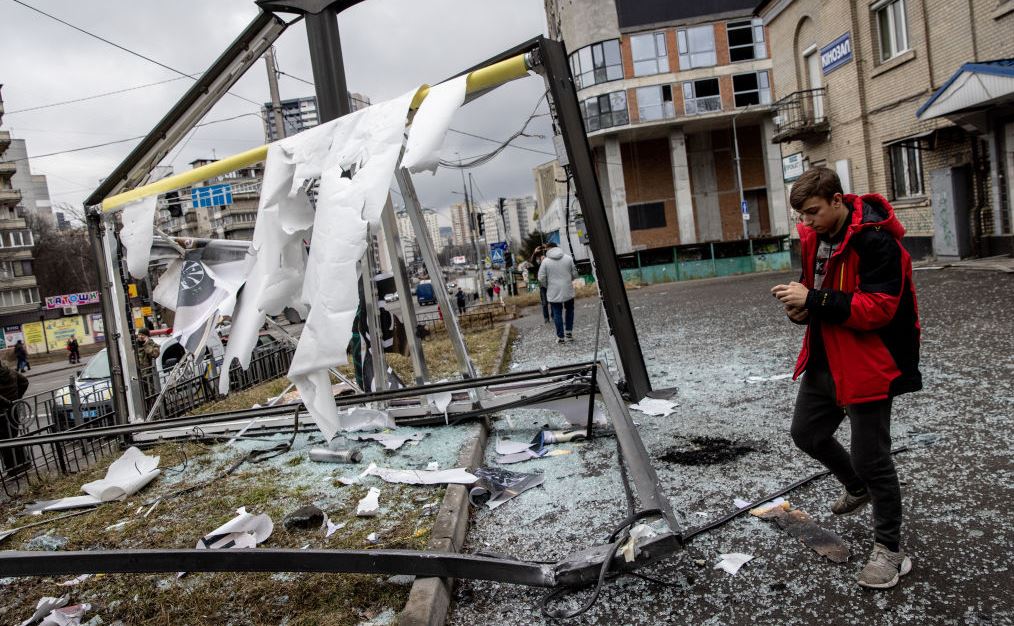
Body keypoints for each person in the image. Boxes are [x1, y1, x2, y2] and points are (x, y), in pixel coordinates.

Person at [771, 166, 921, 590]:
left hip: (869, 362)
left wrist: (814, 299)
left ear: (838, 200)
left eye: (814, 212)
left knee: (872, 457)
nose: (807, 222)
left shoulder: (875, 239)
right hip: (825, 357)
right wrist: (800, 307)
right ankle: (858, 489)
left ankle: (890, 551)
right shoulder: (814, 237)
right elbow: (815, 289)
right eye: (801, 215)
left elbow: (880, 308)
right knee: (807, 434)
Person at [538, 242, 579, 344]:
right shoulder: (568, 258)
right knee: (570, 310)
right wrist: (568, 280)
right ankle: (569, 333)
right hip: (567, 289)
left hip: (553, 290)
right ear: (557, 247)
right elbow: (575, 274)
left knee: (557, 313)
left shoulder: (545, 262)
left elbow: (541, 278)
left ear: (548, 249)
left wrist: (547, 285)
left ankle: (560, 337)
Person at [0, 356, 29, 474]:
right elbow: (25, 382)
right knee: (12, 436)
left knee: (4, 441)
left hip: (2, 412)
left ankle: (13, 468)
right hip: (13, 410)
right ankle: (21, 464)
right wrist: (16, 398)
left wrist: (7, 402)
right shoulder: (10, 371)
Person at [530, 245, 550, 323]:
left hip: (551, 285)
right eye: (541, 258)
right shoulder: (539, 266)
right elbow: (532, 261)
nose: (543, 258)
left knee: (553, 301)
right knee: (544, 303)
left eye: (544, 257)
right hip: (542, 286)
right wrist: (535, 253)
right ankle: (546, 318)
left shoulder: (549, 264)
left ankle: (553, 316)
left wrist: (547, 248)